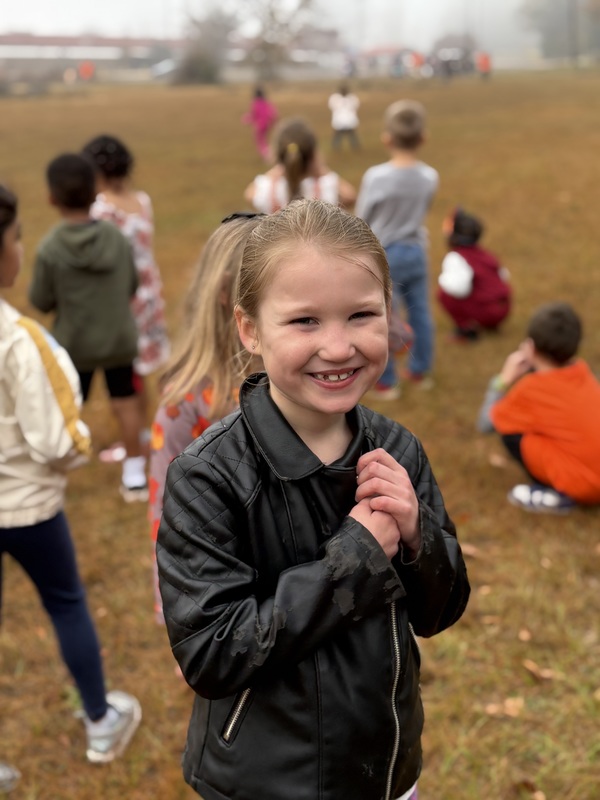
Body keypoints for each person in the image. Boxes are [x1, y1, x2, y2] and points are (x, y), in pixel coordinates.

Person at [157, 199, 470, 800]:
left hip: (383, 766)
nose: (338, 346)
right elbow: (211, 654)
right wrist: (356, 556)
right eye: (305, 321)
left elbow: (440, 610)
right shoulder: (207, 477)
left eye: (360, 315)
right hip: (267, 780)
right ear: (250, 329)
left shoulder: (398, 449)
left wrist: (416, 535)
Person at [0, 184, 141, 768]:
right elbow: (59, 439)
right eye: (14, 236)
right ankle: (101, 723)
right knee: (65, 601)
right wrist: (76, 456)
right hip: (27, 509)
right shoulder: (20, 339)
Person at [149, 212, 264, 624]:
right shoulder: (187, 400)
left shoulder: (299, 383)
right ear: (225, 293)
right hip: (225, 588)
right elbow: (166, 510)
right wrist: (178, 608)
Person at [28, 153, 148, 502]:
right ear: (94, 190)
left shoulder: (50, 247)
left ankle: (58, 474)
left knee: (66, 406)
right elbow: (132, 284)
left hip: (74, 345)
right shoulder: (115, 236)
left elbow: (41, 299)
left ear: (51, 197)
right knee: (126, 403)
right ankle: (135, 478)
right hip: (118, 340)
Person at [82, 134, 170, 463]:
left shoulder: (101, 209)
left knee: (124, 383)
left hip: (123, 301)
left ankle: (132, 443)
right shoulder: (141, 200)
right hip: (150, 296)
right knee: (140, 372)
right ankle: (143, 433)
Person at [477, 301, 600, 513]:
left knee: (510, 430)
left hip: (586, 487)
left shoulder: (530, 389)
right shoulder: (583, 372)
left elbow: (485, 423)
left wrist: (503, 380)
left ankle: (558, 495)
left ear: (531, 347)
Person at [356, 99, 438, 397]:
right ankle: (421, 372)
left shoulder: (375, 177)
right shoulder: (430, 176)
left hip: (384, 254)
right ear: (423, 137)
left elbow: (362, 218)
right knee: (421, 313)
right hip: (416, 252)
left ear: (386, 138)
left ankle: (387, 381)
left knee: (382, 318)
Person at [244, 117, 357, 213]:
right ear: (313, 154)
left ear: (278, 154)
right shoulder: (326, 186)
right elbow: (350, 196)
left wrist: (279, 168)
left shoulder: (268, 188)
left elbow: (249, 194)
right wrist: (321, 169)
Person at [437, 207, 512, 341]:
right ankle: (491, 326)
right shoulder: (485, 254)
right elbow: (503, 276)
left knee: (444, 294)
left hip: (486, 312)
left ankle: (466, 330)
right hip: (504, 308)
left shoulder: (456, 257)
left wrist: (443, 280)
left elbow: (460, 289)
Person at [242, 86, 278, 161]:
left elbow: (254, 115)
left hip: (260, 125)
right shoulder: (267, 102)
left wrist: (246, 119)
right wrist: (273, 123)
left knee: (260, 141)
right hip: (267, 124)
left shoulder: (255, 103)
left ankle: (267, 156)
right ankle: (268, 154)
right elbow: (273, 114)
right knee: (264, 140)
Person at [328, 83, 360, 151]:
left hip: (344, 121)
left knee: (348, 136)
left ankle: (354, 147)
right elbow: (356, 106)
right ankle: (337, 147)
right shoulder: (351, 98)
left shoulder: (335, 98)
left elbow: (331, 106)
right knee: (346, 136)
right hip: (344, 121)